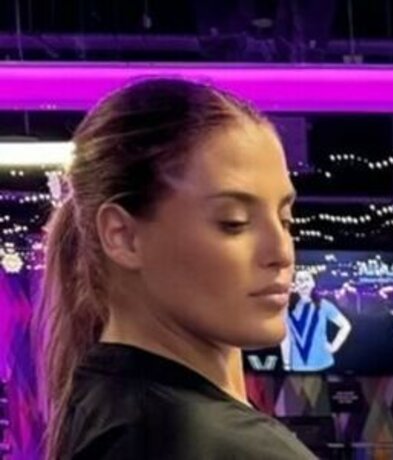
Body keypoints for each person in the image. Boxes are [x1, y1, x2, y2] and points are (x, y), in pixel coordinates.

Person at [34, 78, 317, 459]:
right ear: (123, 236)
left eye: (285, 220)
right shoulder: (211, 443)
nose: (281, 252)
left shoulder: (104, 404)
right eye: (233, 222)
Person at [281, 270, 352, 372]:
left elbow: (345, 325)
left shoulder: (324, 305)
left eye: (307, 279)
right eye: (300, 280)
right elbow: (285, 339)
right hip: (297, 367)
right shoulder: (287, 309)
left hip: (324, 364)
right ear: (294, 285)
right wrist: (286, 364)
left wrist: (334, 347)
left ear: (313, 283)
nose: (303, 283)